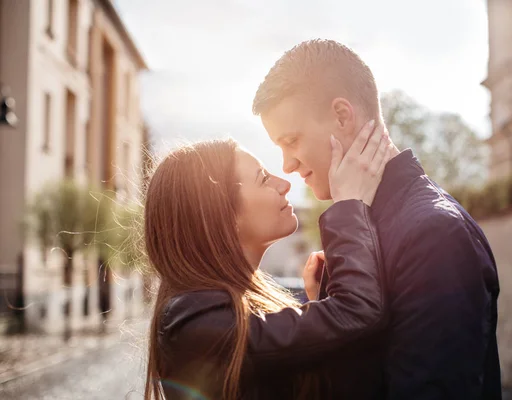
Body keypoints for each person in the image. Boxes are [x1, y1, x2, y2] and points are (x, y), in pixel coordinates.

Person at [253, 39, 502, 399]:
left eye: (291, 141)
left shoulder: (434, 234)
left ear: (342, 116)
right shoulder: (362, 224)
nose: (287, 165)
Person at [143, 122, 395, 399]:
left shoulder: (215, 312)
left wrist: (320, 303)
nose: (285, 184)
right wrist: (349, 203)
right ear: (221, 215)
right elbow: (359, 311)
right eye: (263, 178)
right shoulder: (197, 324)